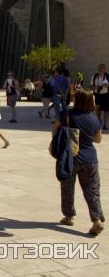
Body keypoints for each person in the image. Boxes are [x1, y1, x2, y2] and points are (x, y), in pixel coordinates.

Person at [56, 89, 104, 235]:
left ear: (76, 100)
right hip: (90, 159)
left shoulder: (67, 115)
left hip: (70, 158)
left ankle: (69, 216)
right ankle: (97, 220)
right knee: (92, 191)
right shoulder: (94, 119)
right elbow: (98, 140)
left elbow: (55, 130)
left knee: (67, 188)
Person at [90, 63, 109, 130]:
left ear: (105, 69)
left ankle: (105, 124)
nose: (102, 69)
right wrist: (96, 87)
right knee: (98, 111)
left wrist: (107, 86)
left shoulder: (108, 76)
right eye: (100, 68)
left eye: (103, 68)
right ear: (98, 69)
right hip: (97, 95)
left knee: (107, 110)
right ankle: (100, 121)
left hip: (106, 95)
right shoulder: (94, 76)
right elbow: (91, 86)